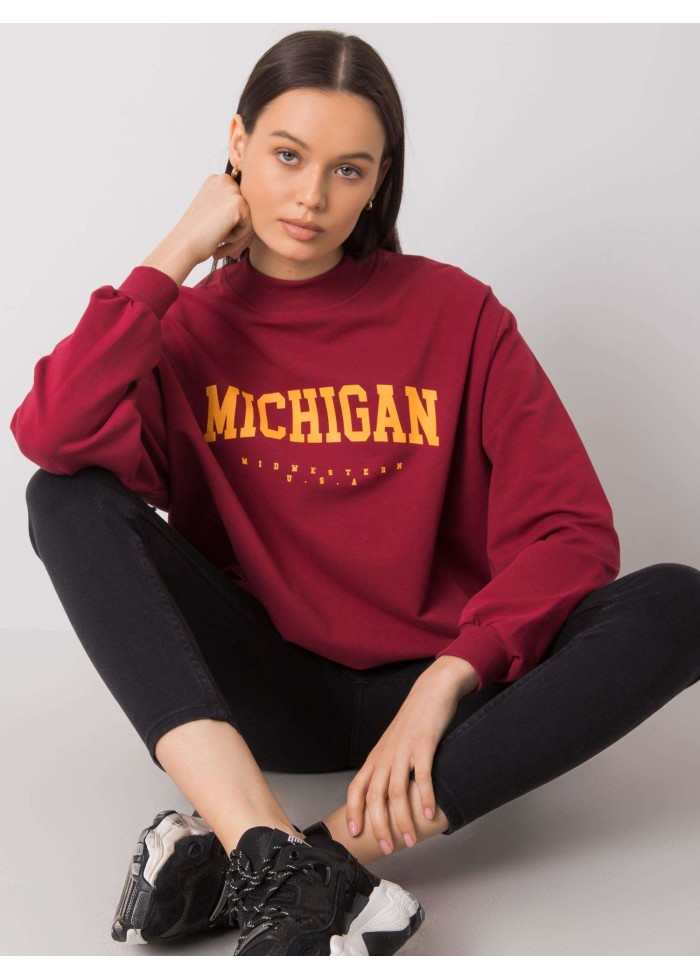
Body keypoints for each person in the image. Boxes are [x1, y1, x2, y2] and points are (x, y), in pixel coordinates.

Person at [10, 28, 700, 957]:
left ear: (379, 181)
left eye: (348, 169)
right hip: (268, 691)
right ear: (238, 145)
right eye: (287, 155)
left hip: (435, 701)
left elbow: (571, 530)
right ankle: (260, 838)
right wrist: (175, 251)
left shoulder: (456, 313)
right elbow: (51, 433)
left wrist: (450, 677)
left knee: (679, 602)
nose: (311, 196)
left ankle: (298, 861)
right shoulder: (185, 332)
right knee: (63, 497)